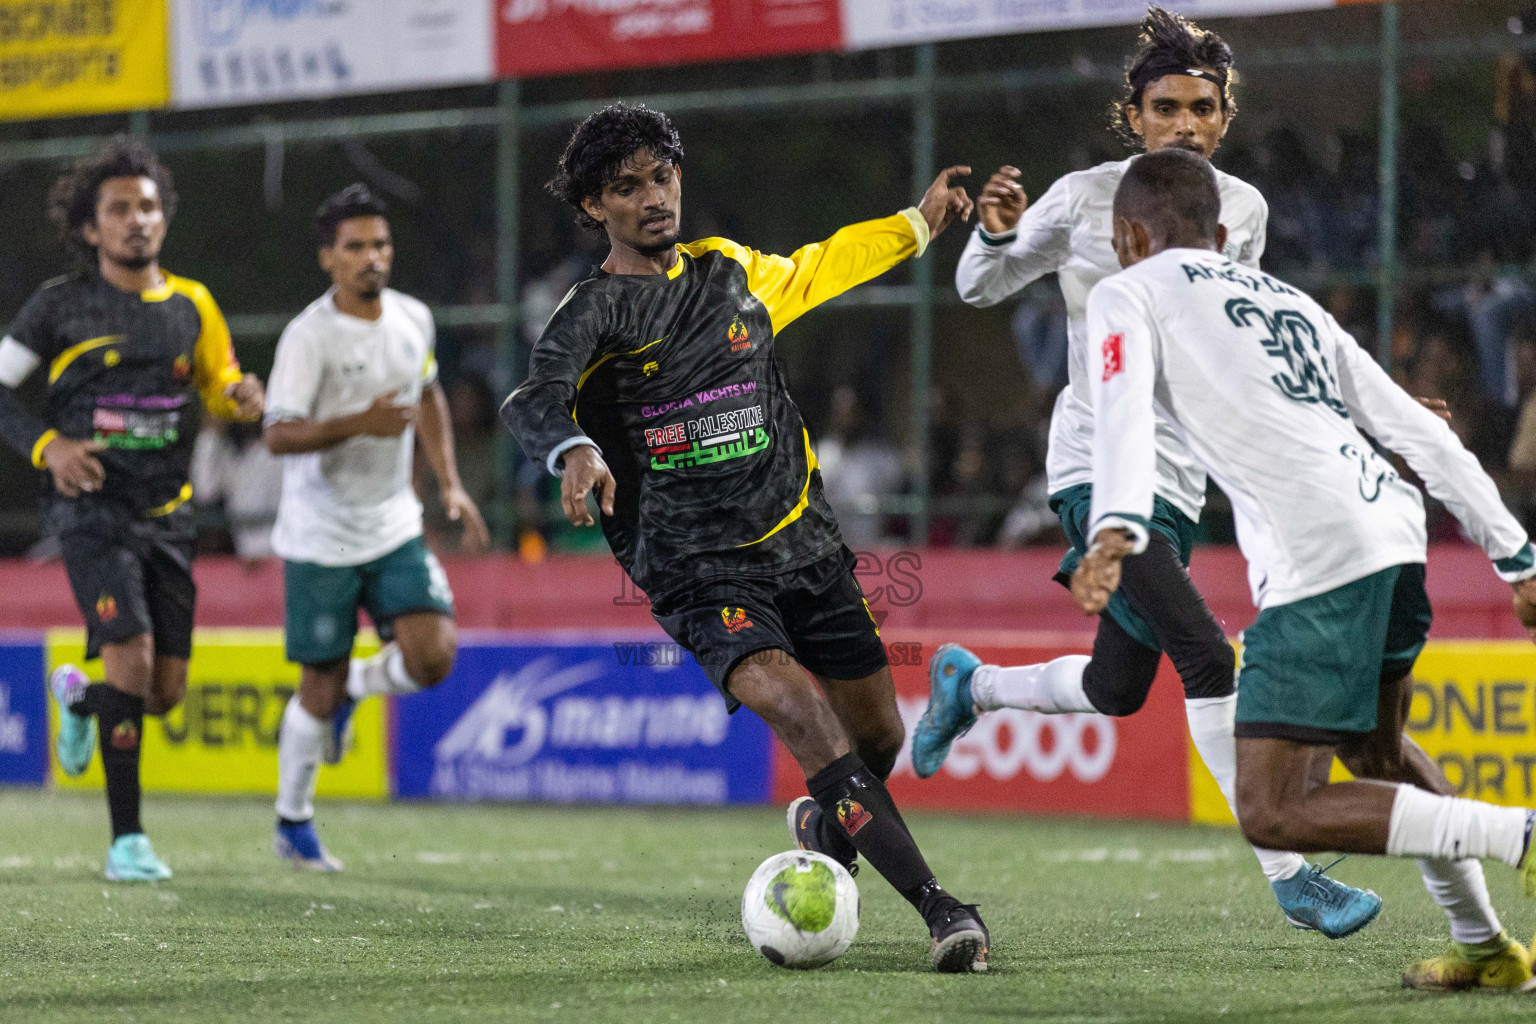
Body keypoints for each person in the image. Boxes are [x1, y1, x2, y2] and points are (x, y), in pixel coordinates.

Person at [919, 5, 1380, 938]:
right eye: (1165, 106)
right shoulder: (1084, 197)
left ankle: (970, 686)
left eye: (1202, 108)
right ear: (1133, 116)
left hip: (1181, 479)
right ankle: (1289, 871)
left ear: (1223, 118)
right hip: (1096, 465)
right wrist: (1001, 238)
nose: (1184, 124)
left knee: (1115, 690)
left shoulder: (1241, 210)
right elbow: (976, 287)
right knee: (1209, 655)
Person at [503, 102, 990, 972]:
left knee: (876, 740)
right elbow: (536, 395)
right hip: (697, 571)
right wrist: (573, 447)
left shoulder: (730, 271)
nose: (652, 197)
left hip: (801, 543)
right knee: (803, 713)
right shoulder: (595, 312)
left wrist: (918, 223)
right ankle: (942, 909)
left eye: (662, 176)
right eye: (626, 187)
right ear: (592, 208)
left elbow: (824, 265)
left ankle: (822, 836)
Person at [1075, 147, 1536, 991]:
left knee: (1273, 807)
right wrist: (1515, 553)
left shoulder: (1126, 289)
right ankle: (1487, 948)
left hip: (1318, 557)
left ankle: (1520, 837)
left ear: (1128, 236)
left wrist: (1112, 530)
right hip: (1396, 538)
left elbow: (1120, 415)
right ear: (1219, 233)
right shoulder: (1290, 300)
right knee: (1378, 751)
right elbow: (1420, 430)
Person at [0, 138, 265, 880]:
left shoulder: (192, 304)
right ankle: (127, 843)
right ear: (90, 228)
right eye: (119, 209)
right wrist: (48, 445)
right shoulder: (59, 305)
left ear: (163, 219)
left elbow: (223, 385)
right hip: (91, 512)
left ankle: (83, 703)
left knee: (160, 691)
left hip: (170, 515)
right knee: (134, 658)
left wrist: (245, 396)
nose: (136, 220)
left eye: (147, 206)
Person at [263, 184, 489, 870]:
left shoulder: (413, 319)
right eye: (356, 247)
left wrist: (449, 482)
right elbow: (277, 435)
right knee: (316, 685)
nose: (372, 258)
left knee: (434, 656)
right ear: (329, 258)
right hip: (319, 534)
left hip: (392, 522)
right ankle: (293, 822)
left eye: (381, 244)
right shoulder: (308, 337)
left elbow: (426, 396)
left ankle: (362, 688)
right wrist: (354, 424)